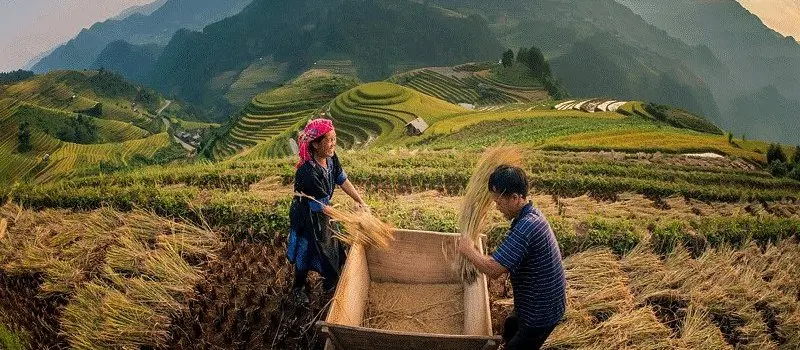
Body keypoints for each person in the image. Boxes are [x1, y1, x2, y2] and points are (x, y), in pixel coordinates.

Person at [457, 165, 565, 350]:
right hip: (534, 302)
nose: (497, 208)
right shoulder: (530, 216)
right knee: (510, 325)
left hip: (540, 313)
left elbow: (494, 270)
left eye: (498, 203)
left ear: (515, 198)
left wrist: (468, 249)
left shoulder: (526, 227)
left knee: (522, 341)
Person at [288, 118, 366, 303]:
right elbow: (321, 206)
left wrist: (360, 201)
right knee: (305, 250)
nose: (333, 144)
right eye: (329, 140)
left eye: (334, 139)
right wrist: (351, 219)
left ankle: (329, 283)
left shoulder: (331, 159)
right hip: (307, 215)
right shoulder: (308, 172)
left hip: (323, 210)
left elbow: (342, 180)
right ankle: (297, 289)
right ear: (315, 144)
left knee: (334, 246)